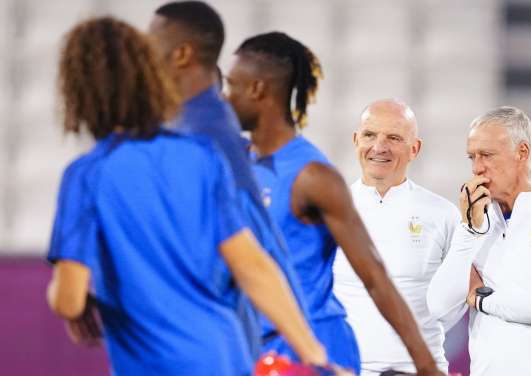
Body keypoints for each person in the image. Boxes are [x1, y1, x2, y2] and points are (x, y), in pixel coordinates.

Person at [46, 16, 327, 375]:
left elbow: (69, 300)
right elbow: (253, 266)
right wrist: (314, 354)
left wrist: (64, 294)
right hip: (226, 355)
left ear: (78, 90)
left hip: (155, 364)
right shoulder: (201, 154)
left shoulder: (85, 176)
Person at [225, 31, 445, 376]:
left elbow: (374, 276)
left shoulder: (313, 176)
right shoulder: (239, 165)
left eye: (231, 85)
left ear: (258, 90)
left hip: (315, 351)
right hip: (257, 347)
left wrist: (427, 366)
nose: (226, 97)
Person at [146, 1, 309, 360]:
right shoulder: (184, 128)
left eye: (151, 41)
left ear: (182, 53)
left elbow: (257, 247)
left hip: (209, 342)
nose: (143, 53)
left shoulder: (207, 136)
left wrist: (308, 350)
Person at [426, 106, 531, 376]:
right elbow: (439, 308)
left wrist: (481, 299)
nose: (477, 168)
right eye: (472, 157)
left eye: (487, 155)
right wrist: (469, 231)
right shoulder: (475, 227)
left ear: (522, 152)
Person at [333, 100, 461, 375]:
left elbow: (457, 301)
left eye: (393, 137)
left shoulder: (444, 215)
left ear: (415, 148)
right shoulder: (329, 211)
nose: (379, 147)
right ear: (356, 140)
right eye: (369, 135)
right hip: (346, 369)